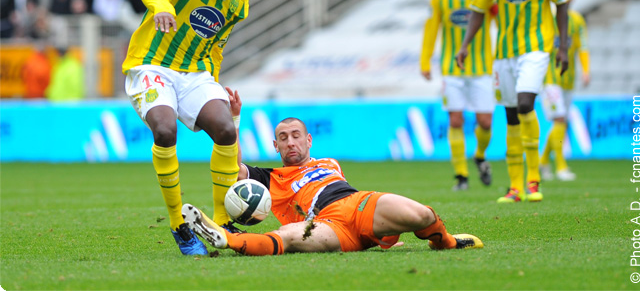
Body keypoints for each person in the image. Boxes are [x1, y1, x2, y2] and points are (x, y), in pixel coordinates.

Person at [182, 89, 483, 256]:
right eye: (283, 138)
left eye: (296, 135)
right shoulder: (271, 178)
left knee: (422, 215)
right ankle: (226, 238)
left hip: (358, 204)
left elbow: (345, 194)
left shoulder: (330, 163)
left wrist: (383, 234)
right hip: (325, 225)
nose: (290, 142)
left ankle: (446, 242)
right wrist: (234, 120)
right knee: (288, 236)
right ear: (275, 146)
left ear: (309, 140)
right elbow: (232, 169)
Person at [121, 0, 261, 256]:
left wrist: (215, 88)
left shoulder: (239, 3)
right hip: (152, 63)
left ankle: (222, 222)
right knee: (165, 130)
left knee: (225, 129)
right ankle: (179, 225)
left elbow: (216, 47)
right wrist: (163, 8)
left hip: (194, 72)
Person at [455, 0, 571, 203]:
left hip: (536, 46)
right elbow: (478, 10)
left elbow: (562, 3)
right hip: (505, 52)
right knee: (510, 115)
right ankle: (515, 187)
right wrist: (465, 45)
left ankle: (533, 180)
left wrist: (563, 46)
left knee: (525, 103)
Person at [420, 0, 494, 191]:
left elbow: (499, 19)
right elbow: (431, 28)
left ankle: (479, 156)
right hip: (452, 69)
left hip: (482, 67)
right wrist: (425, 61)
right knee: (455, 120)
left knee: (485, 122)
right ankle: (461, 175)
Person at [540, 0, 590, 181]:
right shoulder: (547, 19)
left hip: (568, 78)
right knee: (560, 119)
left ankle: (543, 160)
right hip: (549, 78)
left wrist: (586, 70)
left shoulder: (577, 20)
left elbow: (582, 47)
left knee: (560, 122)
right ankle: (561, 166)